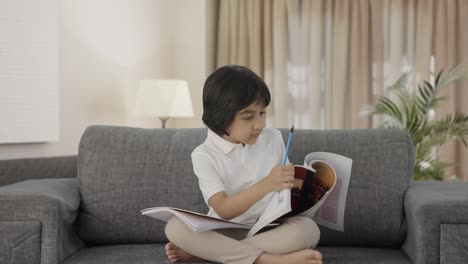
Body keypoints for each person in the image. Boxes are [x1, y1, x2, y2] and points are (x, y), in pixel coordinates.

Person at [164, 65, 322, 264]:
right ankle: (266, 260)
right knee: (175, 227)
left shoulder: (273, 138)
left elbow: (285, 190)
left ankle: (208, 253)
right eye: (248, 117)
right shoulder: (204, 155)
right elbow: (223, 209)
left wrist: (302, 189)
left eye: (262, 113)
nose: (259, 125)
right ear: (221, 117)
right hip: (224, 230)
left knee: (308, 229)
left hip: (268, 228)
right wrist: (267, 184)